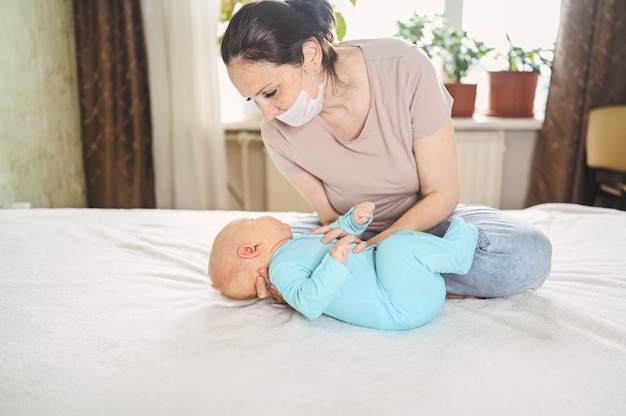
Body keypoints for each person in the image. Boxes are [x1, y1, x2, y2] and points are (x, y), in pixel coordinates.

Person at [220, 0, 552, 299]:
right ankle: (399, 279)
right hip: (350, 232)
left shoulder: (405, 66)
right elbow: (329, 219)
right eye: (254, 99)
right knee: (240, 262)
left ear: (310, 55)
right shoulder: (277, 133)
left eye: (271, 92)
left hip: (424, 225)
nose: (267, 114)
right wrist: (288, 266)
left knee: (526, 254)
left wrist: (373, 250)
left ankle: (359, 282)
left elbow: (441, 194)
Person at [209, 202, 479, 330]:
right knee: (397, 247)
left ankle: (449, 253)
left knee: (399, 243)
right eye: (254, 220)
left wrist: (353, 222)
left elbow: (335, 235)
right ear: (251, 249)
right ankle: (456, 254)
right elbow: (309, 303)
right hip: (394, 302)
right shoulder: (280, 269)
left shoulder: (295, 246)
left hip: (401, 288)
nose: (263, 216)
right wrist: (334, 262)